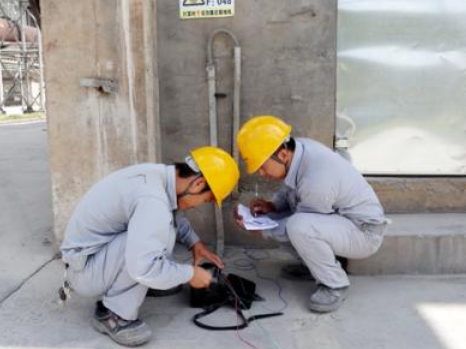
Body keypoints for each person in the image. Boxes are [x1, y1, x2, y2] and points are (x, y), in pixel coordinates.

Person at [60, 146, 240, 346]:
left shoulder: (159, 176)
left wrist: (194, 243)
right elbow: (143, 266)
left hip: (91, 259)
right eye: (205, 200)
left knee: (160, 231)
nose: (197, 205)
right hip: (85, 273)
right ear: (198, 183)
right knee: (156, 243)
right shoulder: (153, 201)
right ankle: (112, 313)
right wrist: (191, 274)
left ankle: (139, 284)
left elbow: (173, 213)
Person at [234, 115, 388, 313]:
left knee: (296, 227)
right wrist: (272, 206)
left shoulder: (317, 177)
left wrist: (259, 228)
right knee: (283, 223)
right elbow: (290, 188)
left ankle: (334, 284)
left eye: (262, 166)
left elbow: (299, 225)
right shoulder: (300, 150)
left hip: (363, 233)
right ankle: (314, 267)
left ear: (282, 155)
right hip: (340, 223)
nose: (261, 173)